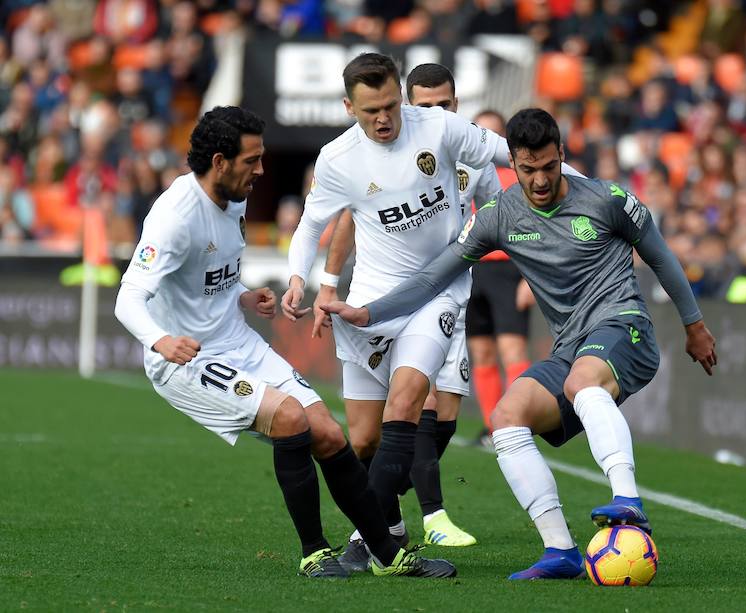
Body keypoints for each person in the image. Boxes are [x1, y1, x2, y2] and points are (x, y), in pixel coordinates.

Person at [321, 108, 718, 580]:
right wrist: (368, 312)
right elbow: (432, 278)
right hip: (570, 348)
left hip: (622, 326)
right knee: (507, 417)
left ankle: (628, 501)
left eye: (549, 167)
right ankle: (561, 550)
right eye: (528, 170)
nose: (541, 180)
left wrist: (694, 325)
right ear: (512, 162)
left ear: (562, 156)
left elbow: (661, 256)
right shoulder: (499, 216)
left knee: (583, 383)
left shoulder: (608, 199)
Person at [114, 105, 456, 579]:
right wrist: (160, 341)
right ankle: (315, 552)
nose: (261, 170)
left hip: (237, 341)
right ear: (219, 162)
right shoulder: (174, 217)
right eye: (252, 160)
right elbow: (128, 297)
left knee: (331, 433)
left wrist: (241, 294)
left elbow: (203, 276)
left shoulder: (233, 198)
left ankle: (388, 556)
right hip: (187, 359)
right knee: (291, 420)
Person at [282, 54, 584, 572]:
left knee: (407, 398)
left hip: (437, 292)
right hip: (370, 301)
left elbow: (520, 157)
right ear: (348, 106)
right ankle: (391, 529)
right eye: (370, 110)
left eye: (390, 105)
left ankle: (368, 541)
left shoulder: (440, 127)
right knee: (364, 439)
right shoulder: (337, 159)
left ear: (401, 94)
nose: (384, 118)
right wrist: (300, 279)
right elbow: (314, 226)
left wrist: (594, 191)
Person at [309, 63, 495, 550]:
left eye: (444, 105)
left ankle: (395, 516)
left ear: (456, 105)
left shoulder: (465, 148)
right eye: (424, 105)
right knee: (389, 422)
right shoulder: (354, 159)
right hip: (386, 300)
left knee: (434, 412)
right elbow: (343, 221)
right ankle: (408, 517)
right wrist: (325, 283)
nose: (433, 113)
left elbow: (504, 208)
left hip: (448, 293)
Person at [465, 109, 534, 448]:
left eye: (493, 132)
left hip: (510, 268)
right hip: (472, 268)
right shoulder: (462, 172)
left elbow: (536, 230)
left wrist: (530, 278)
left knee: (511, 349)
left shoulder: (518, 176)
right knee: (481, 351)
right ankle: (493, 425)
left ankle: (516, 423)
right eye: (480, 131)